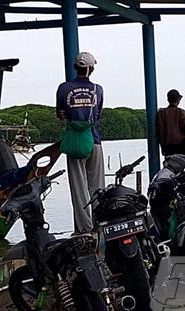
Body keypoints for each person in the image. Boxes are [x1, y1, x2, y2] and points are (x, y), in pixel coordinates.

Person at [56, 52, 105, 234]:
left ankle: (85, 229)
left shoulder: (63, 88)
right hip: (94, 139)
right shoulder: (98, 89)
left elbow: (60, 113)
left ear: (75, 68)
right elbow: (98, 114)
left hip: (75, 141)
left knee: (79, 188)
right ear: (91, 69)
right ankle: (99, 223)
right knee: (97, 186)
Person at [156, 89, 185, 156]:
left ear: (168, 100)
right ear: (178, 100)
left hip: (167, 146)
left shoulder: (161, 113)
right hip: (181, 145)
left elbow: (160, 131)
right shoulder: (182, 113)